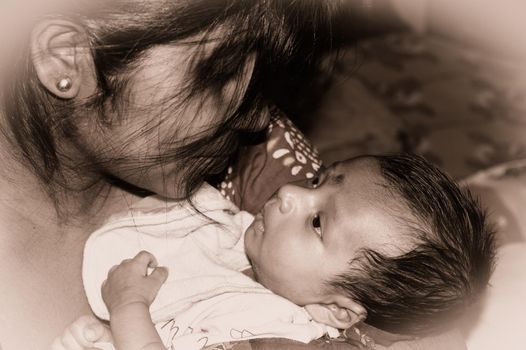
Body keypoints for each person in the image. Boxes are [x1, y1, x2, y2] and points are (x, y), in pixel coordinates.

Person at [0, 1, 341, 349]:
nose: (256, 120)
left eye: (258, 68)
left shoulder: (263, 157)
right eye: (222, 71)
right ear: (66, 56)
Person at [52, 153, 495, 350]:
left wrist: (129, 309)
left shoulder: (283, 343)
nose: (289, 191)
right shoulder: (243, 251)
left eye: (317, 222)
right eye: (319, 180)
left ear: (338, 312)